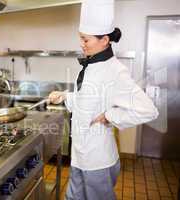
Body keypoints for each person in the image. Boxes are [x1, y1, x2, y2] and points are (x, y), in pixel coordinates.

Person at [48, 0, 159, 199]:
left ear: (104, 40)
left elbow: (148, 109)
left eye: (86, 40)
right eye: (81, 38)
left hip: (98, 160)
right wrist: (65, 96)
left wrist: (109, 115)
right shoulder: (91, 65)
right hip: (80, 154)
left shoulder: (115, 71)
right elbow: (88, 99)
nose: (81, 44)